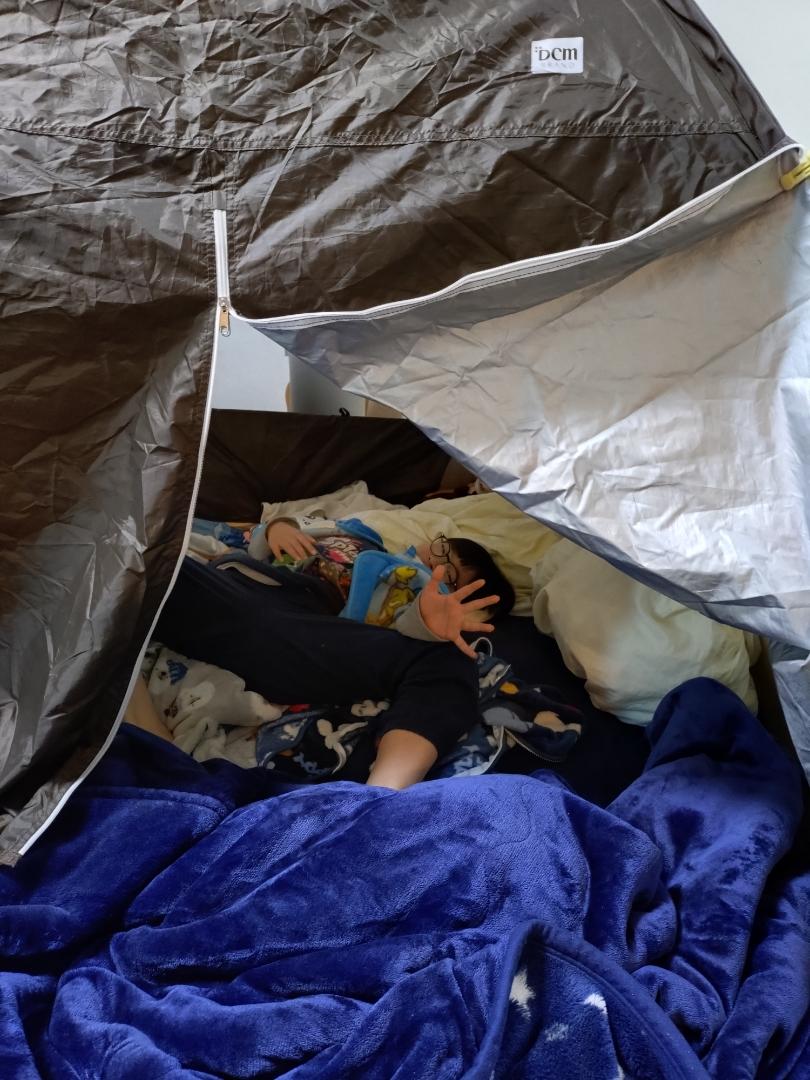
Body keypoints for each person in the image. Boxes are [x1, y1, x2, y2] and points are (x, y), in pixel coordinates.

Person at [154, 519, 515, 790]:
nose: (436, 565)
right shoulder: (362, 536)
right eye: (442, 550)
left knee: (451, 659)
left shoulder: (415, 581)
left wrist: (425, 621)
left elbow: (392, 625)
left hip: (310, 624)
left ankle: (379, 798)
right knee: (161, 563)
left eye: (449, 576)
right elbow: (267, 532)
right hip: (251, 587)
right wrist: (278, 528)